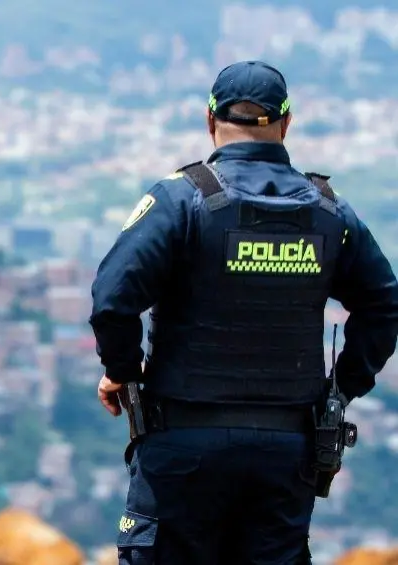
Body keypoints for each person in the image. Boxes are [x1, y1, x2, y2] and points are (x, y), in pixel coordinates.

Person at [88, 60, 398, 565]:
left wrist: (122, 371)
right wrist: (341, 389)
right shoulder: (329, 211)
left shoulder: (180, 200)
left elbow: (112, 298)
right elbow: (384, 305)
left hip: (182, 445)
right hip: (286, 451)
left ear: (210, 120)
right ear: (286, 123)